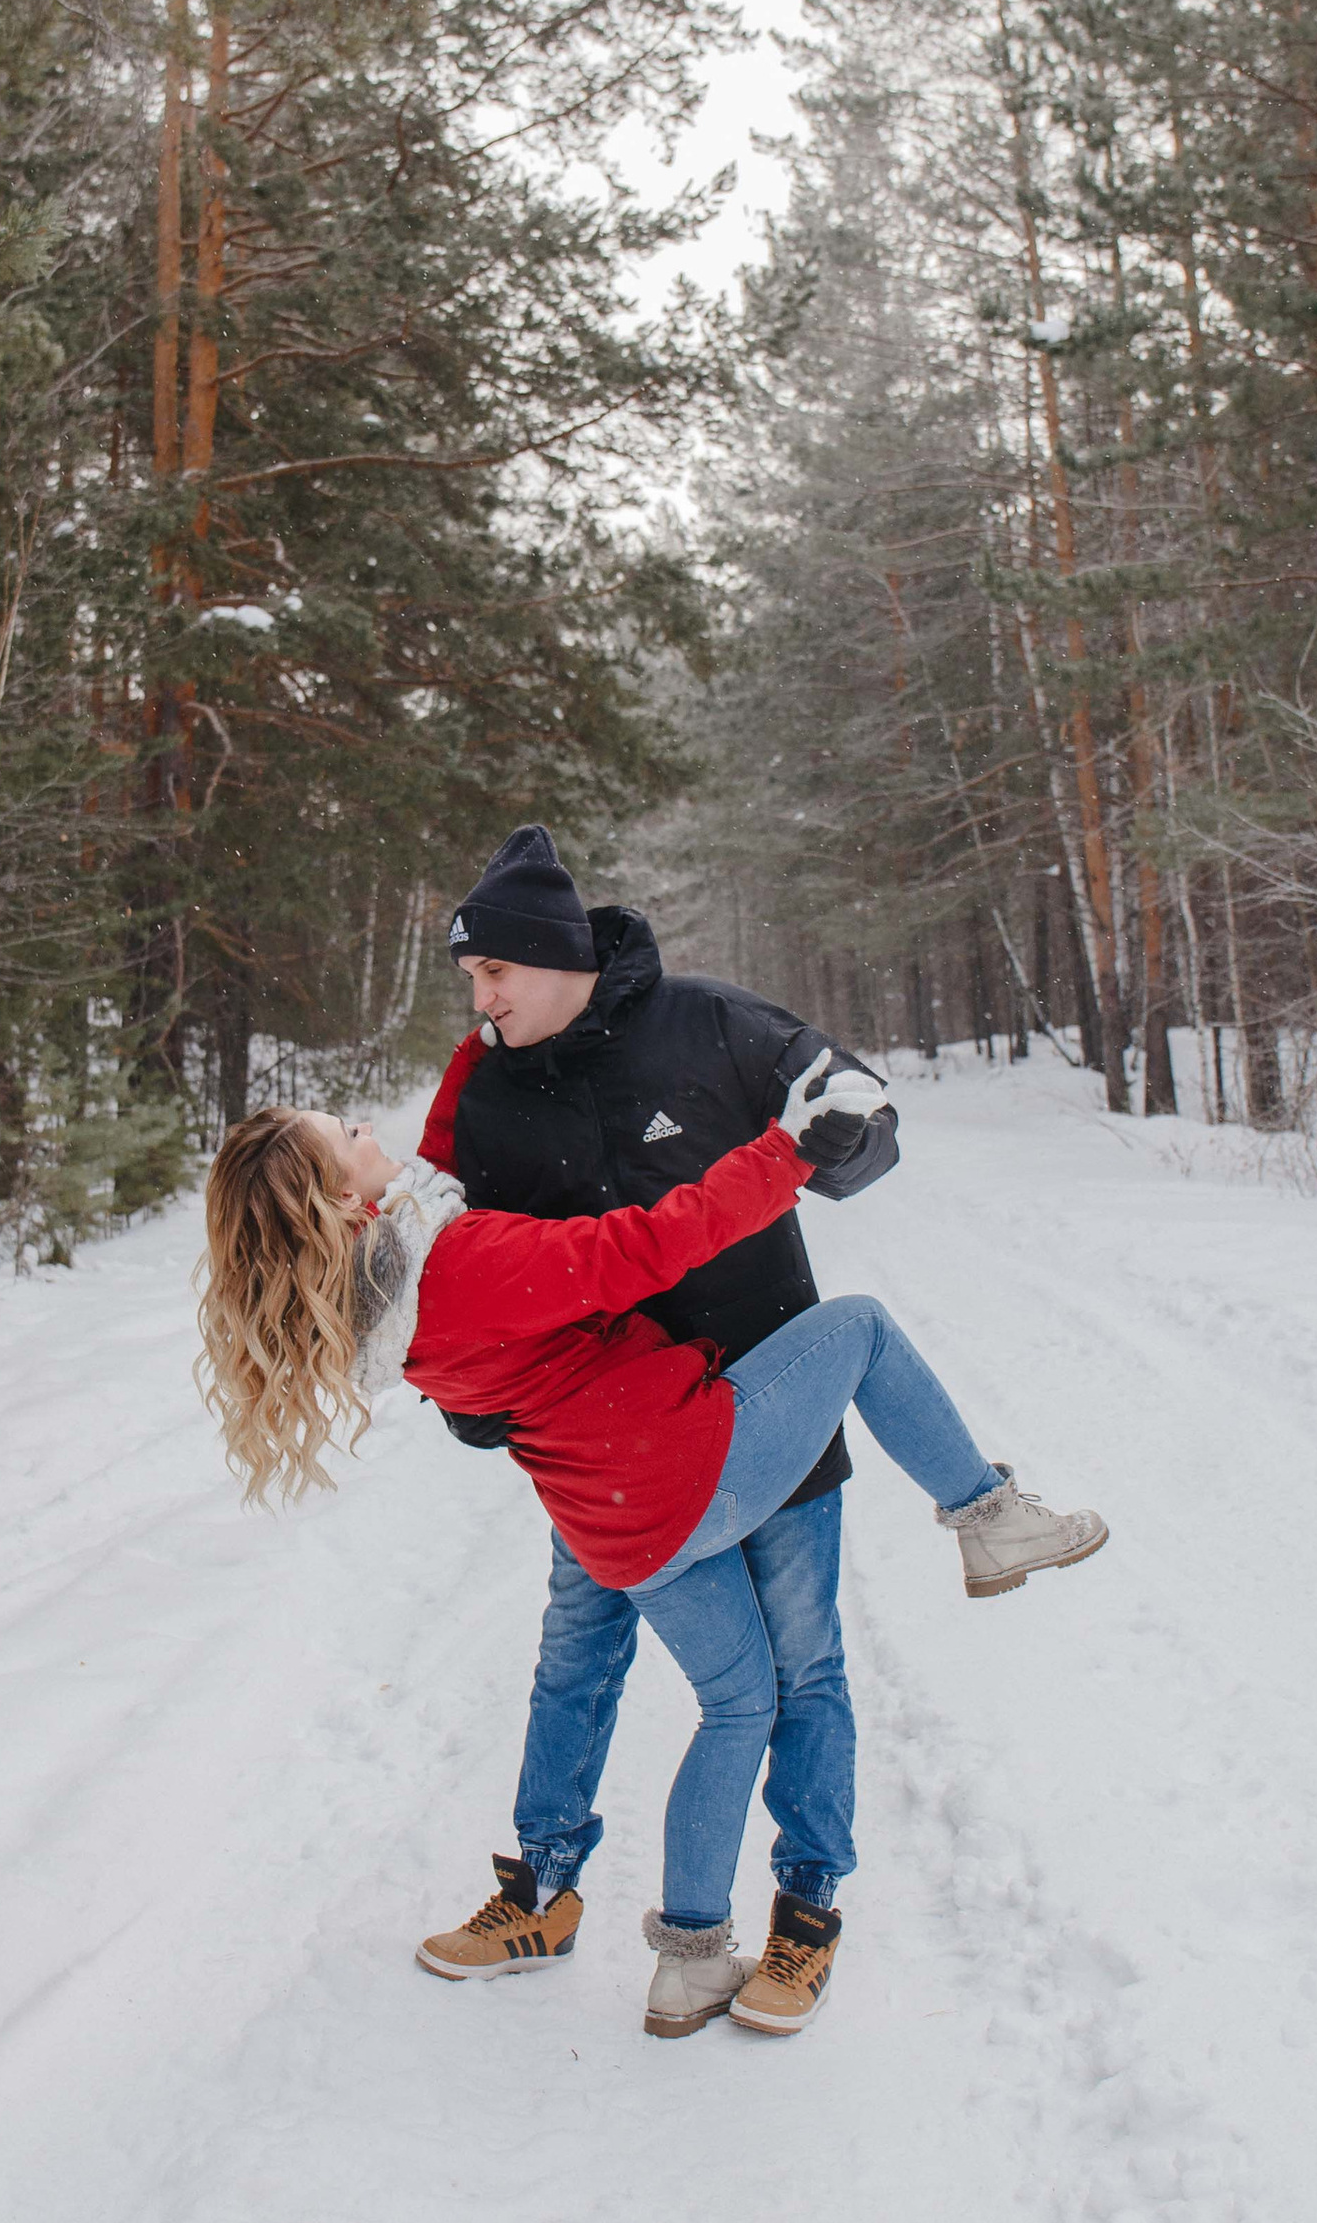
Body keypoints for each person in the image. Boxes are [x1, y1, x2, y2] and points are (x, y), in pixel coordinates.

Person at [195, 1072, 1109, 2040]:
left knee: (737, 1707)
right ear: (346, 1197)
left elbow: (439, 1177)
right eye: (346, 1130)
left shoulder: (378, 1300)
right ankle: (990, 1516)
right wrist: (792, 1147)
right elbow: (652, 1241)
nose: (368, 1125)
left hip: (621, 1529)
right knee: (862, 1327)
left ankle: (691, 1961)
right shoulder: (463, 1259)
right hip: (694, 1463)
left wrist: (491, 1042)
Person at [409, 827, 898, 2016]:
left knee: (802, 1664)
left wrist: (847, 1131)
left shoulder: (710, 1023)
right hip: (602, 1443)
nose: (476, 999)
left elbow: (855, 1114)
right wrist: (470, 1398)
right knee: (575, 1656)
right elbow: (429, 1249)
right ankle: (542, 1889)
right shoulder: (479, 1080)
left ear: (551, 958)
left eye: (491, 974)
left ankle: (802, 1913)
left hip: (763, 1397)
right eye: (471, 979)